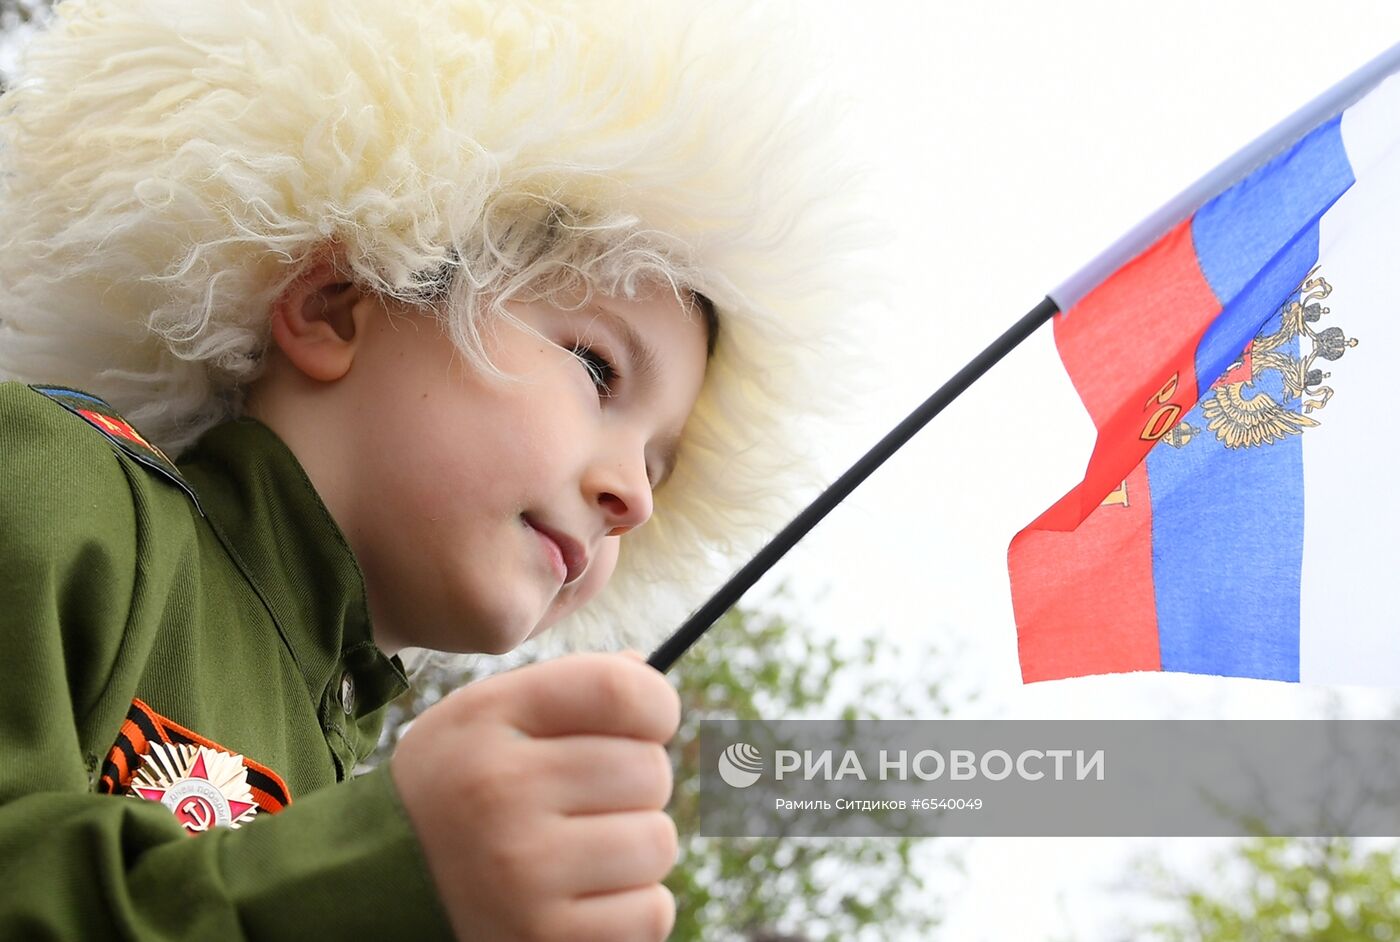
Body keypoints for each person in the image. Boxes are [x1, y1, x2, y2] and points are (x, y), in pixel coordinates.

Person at [0, 0, 870, 939]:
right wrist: (379, 873)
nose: (637, 497)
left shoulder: (345, 765)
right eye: (596, 367)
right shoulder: (55, 485)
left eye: (660, 462)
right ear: (335, 305)